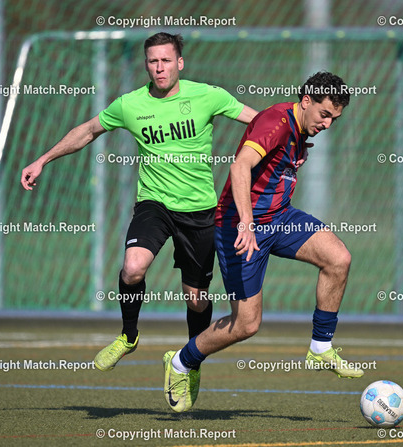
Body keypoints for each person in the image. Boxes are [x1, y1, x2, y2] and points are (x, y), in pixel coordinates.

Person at [20, 32, 258, 376]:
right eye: (152, 61)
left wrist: (296, 135)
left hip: (200, 211)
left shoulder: (208, 95)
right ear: (146, 65)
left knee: (196, 299)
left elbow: (261, 122)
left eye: (166, 61)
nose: (159, 68)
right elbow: (87, 131)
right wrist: (42, 160)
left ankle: (190, 363)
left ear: (180, 63)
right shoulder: (129, 104)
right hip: (154, 204)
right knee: (132, 268)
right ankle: (128, 336)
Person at [162, 72, 363, 413]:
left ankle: (320, 346)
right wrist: (246, 223)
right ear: (306, 101)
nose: (328, 124)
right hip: (239, 226)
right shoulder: (276, 122)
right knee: (246, 324)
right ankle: (181, 362)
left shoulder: (300, 130)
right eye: (324, 114)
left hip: (280, 218)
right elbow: (239, 167)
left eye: (334, 119)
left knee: (338, 258)